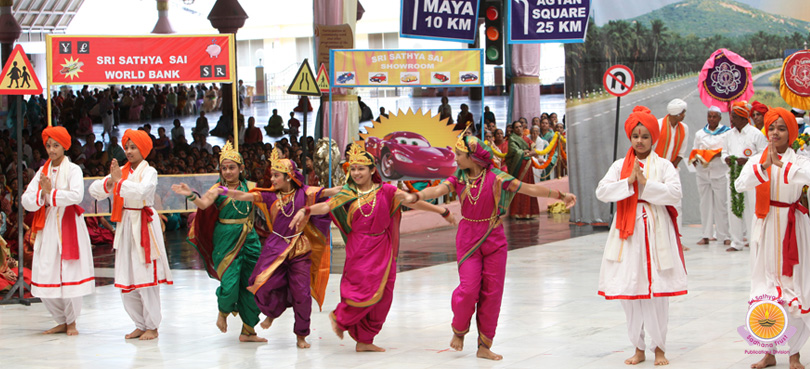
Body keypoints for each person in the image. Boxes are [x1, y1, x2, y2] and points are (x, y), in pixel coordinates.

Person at [403, 133, 576, 361]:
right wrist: (416, 197)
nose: (455, 158)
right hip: (468, 238)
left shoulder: (497, 178)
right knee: (468, 290)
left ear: (473, 157)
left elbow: (529, 189)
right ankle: (459, 328)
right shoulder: (459, 178)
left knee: (492, 293)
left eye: (459, 154)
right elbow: (437, 191)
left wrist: (561, 195)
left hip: (494, 238)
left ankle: (484, 345)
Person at [289, 143, 455, 352]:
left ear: (372, 170)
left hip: (383, 247)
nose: (356, 173)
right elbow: (327, 205)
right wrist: (306, 210)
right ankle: (341, 317)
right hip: (359, 248)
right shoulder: (348, 193)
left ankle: (365, 340)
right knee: (360, 288)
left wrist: (440, 210)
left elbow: (412, 203)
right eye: (353, 169)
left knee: (385, 294)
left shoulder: (386, 191)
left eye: (361, 169)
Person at [212, 148, 338, 348]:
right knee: (262, 284)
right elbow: (245, 196)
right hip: (275, 247)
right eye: (272, 175)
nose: (271, 179)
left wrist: (356, 186)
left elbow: (331, 192)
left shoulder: (305, 193)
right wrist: (224, 191)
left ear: (288, 177)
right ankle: (272, 313)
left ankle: (301, 335)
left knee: (302, 293)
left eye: (276, 176)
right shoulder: (270, 197)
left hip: (299, 248)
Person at [595, 106, 686, 366]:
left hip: (657, 233)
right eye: (635, 136)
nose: (640, 141)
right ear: (630, 137)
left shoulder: (665, 165)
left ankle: (659, 348)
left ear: (653, 138)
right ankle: (638, 347)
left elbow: (675, 192)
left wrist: (645, 185)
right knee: (630, 291)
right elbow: (602, 192)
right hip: (628, 235)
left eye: (645, 136)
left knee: (657, 293)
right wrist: (628, 183)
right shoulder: (619, 166)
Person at [735, 108, 810, 369]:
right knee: (764, 286)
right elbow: (740, 184)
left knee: (793, 285)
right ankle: (768, 352)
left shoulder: (800, 160)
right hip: (765, 227)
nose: (775, 133)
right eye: (771, 128)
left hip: (792, 228)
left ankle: (794, 354)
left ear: (791, 132)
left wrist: (784, 165)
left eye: (781, 128)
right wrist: (764, 166)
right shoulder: (758, 159)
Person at [172, 142, 265, 342]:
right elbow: (204, 204)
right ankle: (223, 311)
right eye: (224, 168)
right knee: (230, 284)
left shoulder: (251, 187)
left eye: (232, 167)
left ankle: (248, 331)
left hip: (249, 239)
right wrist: (190, 195)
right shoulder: (217, 189)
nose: (228, 171)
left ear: (241, 169)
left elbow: (267, 206)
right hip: (225, 239)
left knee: (252, 284)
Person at [89, 129, 173, 340]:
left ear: (143, 150)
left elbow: (142, 192)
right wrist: (110, 182)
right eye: (126, 147)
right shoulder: (122, 172)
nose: (128, 151)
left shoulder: (149, 171)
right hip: (125, 224)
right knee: (127, 275)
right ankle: (139, 323)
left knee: (145, 274)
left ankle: (152, 326)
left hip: (143, 223)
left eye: (133, 147)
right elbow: (94, 191)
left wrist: (118, 182)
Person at [21, 126, 95, 335]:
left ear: (64, 146)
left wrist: (50, 193)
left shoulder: (74, 170)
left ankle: (71, 322)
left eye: (56, 145)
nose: (51, 150)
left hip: (69, 223)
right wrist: (42, 196)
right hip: (48, 227)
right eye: (48, 145)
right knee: (46, 271)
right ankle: (60, 320)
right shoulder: (42, 171)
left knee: (69, 271)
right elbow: (27, 199)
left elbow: (76, 196)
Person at [722, 101, 768, 252]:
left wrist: (748, 160)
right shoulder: (728, 134)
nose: (732, 120)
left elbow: (763, 154)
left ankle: (752, 239)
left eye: (734, 117)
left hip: (751, 176)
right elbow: (724, 152)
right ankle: (736, 242)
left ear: (743, 118)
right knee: (733, 208)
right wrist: (727, 159)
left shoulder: (756, 134)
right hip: (733, 175)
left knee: (751, 208)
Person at [690, 106, 731, 246]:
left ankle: (724, 235)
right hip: (703, 172)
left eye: (714, 117)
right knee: (705, 204)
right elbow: (694, 150)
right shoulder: (700, 134)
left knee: (721, 204)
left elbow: (727, 151)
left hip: (719, 172)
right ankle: (706, 235)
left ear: (719, 118)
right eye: (709, 116)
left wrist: (714, 154)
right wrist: (698, 157)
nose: (711, 119)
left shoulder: (726, 133)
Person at [505, 121, 540, 218]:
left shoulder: (526, 138)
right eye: (516, 127)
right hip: (519, 167)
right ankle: (518, 212)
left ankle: (530, 212)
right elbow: (515, 151)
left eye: (520, 126)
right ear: (513, 129)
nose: (519, 129)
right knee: (520, 188)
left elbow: (534, 149)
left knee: (529, 187)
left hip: (528, 166)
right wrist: (524, 152)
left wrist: (530, 152)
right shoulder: (512, 139)